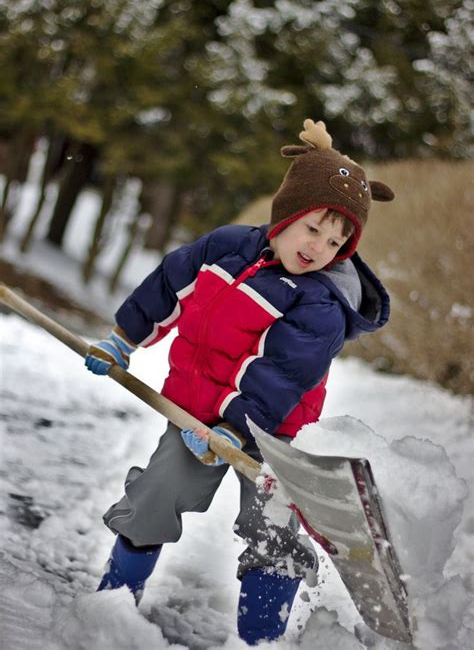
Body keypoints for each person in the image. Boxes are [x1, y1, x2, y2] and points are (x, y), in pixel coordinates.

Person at [85, 119, 394, 645]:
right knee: (155, 497)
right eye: (313, 228)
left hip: (275, 435)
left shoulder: (320, 304)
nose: (319, 246)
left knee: (271, 530)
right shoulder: (226, 248)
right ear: (286, 213)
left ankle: (260, 639)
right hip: (195, 416)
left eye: (337, 241)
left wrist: (237, 428)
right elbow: (167, 287)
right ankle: (111, 603)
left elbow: (283, 374)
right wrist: (123, 339)